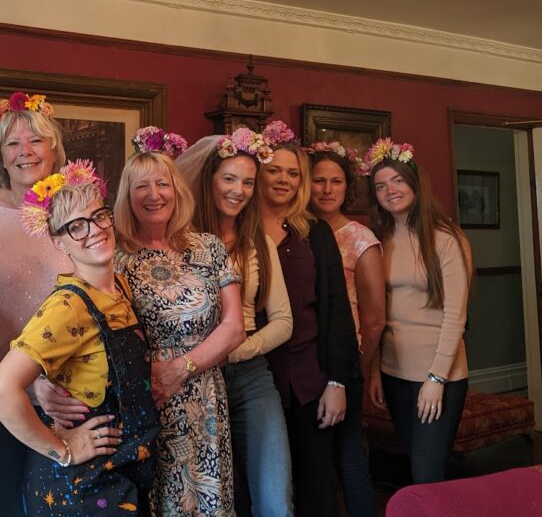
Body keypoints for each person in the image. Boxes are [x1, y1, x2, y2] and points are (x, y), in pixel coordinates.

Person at [0, 160, 160, 515]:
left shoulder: (120, 287)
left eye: (98, 217)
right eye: (76, 227)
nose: (93, 230)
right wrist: (62, 450)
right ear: (58, 241)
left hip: (123, 474)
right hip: (78, 488)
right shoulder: (67, 306)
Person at [113, 128, 246, 516]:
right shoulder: (115, 257)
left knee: (208, 499)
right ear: (127, 197)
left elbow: (234, 327)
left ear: (177, 190)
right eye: (141, 187)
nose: (154, 195)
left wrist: (181, 368)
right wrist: (155, 377)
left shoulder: (209, 246)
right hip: (146, 394)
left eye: (162, 184)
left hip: (203, 393)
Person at [0, 92, 72, 515]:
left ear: (55, 148)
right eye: (12, 143)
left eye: (36, 140)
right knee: (6, 504)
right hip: (0, 393)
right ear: (1, 157)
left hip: (67, 392)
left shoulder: (76, 209)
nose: (25, 152)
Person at [175, 129, 294, 517]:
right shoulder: (180, 242)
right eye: (229, 179)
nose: (238, 191)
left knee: (276, 494)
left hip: (250, 376)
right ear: (208, 180)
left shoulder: (260, 242)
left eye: (247, 182)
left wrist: (237, 349)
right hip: (191, 379)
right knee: (206, 496)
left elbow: (283, 321)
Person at [257, 121, 359, 517]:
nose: (283, 179)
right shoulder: (240, 230)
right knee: (266, 486)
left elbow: (337, 312)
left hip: (309, 379)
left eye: (293, 173)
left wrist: (336, 381)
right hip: (255, 378)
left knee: (316, 484)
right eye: (274, 170)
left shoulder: (314, 233)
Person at [362, 138, 472, 484]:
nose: (390, 190)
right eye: (380, 186)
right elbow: (380, 310)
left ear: (414, 183)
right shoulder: (380, 238)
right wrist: (377, 371)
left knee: (428, 471)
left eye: (397, 180)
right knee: (415, 463)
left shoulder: (445, 238)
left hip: (437, 375)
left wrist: (436, 378)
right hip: (395, 374)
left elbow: (456, 315)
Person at [308, 141, 385, 517]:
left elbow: (374, 318)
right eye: (318, 180)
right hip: (306, 358)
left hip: (346, 359)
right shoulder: (298, 230)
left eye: (335, 182)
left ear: (346, 187)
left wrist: (361, 366)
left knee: (349, 456)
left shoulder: (360, 239)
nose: (326, 189)